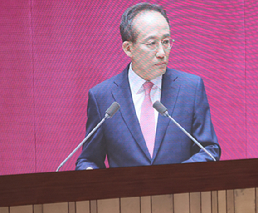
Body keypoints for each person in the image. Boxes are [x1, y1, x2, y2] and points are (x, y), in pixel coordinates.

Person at [75, 3, 220, 170]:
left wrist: (175, 177)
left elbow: (209, 150)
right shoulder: (102, 97)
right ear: (128, 48)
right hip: (126, 195)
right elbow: (89, 159)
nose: (162, 52)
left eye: (166, 42)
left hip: (180, 193)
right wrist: (89, 172)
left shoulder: (190, 89)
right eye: (152, 44)